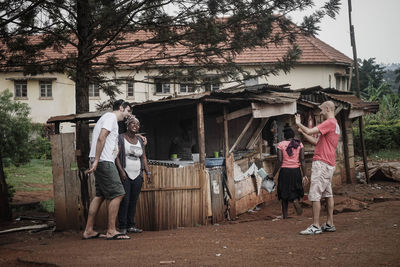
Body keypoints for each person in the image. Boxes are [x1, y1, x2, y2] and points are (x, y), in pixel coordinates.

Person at [82, 99, 132, 240]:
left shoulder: (107, 119)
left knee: (101, 195)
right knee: (118, 193)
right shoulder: (111, 117)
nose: (128, 114)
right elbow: (101, 138)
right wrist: (97, 161)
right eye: (128, 111)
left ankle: (89, 230)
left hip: (102, 160)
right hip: (104, 161)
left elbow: (107, 140)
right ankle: (111, 230)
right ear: (121, 108)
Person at [295, 101, 340, 235]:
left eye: (321, 110)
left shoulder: (329, 122)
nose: (320, 112)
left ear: (327, 109)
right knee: (327, 193)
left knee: (314, 194)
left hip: (321, 163)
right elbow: (316, 142)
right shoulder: (335, 124)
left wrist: (298, 123)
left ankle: (315, 225)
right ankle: (329, 223)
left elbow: (310, 130)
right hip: (329, 163)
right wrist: (303, 132)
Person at [116, 115, 152, 234]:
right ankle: (122, 226)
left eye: (137, 124)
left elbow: (144, 157)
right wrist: (121, 171)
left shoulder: (140, 140)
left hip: (137, 174)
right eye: (132, 123)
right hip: (125, 174)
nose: (135, 126)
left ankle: (131, 225)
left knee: (133, 200)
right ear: (127, 125)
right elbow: (116, 156)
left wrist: (147, 172)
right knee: (124, 200)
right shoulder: (121, 138)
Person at [267, 125, 307, 219]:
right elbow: (302, 159)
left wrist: (273, 174)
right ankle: (295, 200)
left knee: (284, 193)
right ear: (293, 135)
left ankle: (285, 215)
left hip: (285, 171)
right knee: (295, 189)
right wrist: (304, 174)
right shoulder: (299, 144)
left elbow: (279, 161)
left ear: (284, 136)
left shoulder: (280, 145)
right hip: (296, 171)